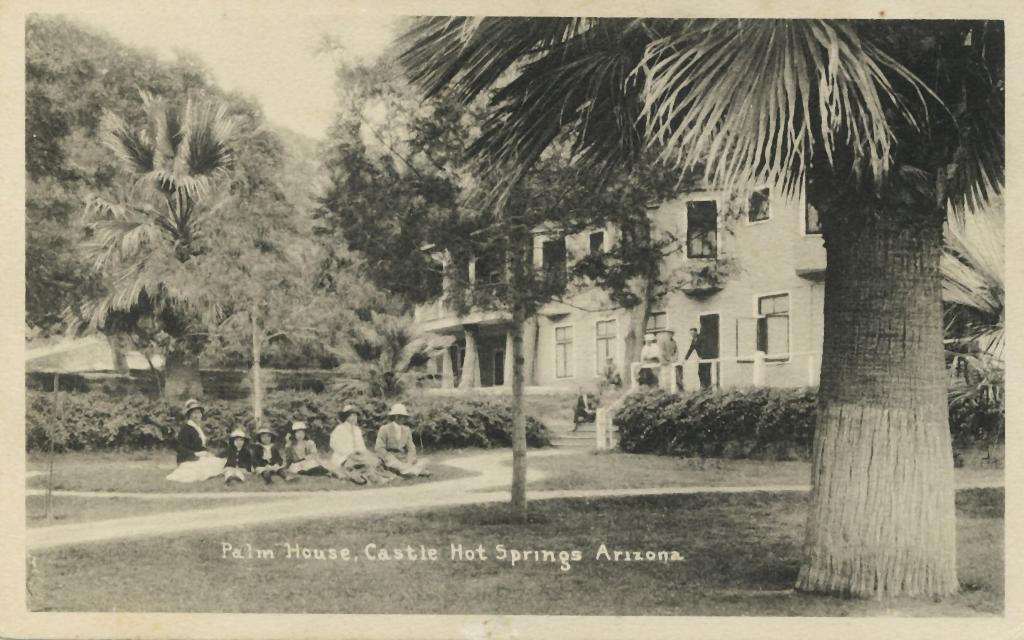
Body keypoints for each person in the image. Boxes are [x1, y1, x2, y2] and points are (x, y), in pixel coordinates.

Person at [329, 405, 391, 485]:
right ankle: (359, 478)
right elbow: (334, 444)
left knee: (372, 461)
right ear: (346, 417)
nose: (354, 418)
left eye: (355, 415)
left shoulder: (357, 430)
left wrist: (362, 452)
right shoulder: (339, 429)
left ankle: (376, 479)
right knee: (354, 465)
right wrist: (349, 453)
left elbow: (361, 446)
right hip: (343, 456)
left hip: (358, 456)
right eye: (351, 415)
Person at [166, 399, 226, 483]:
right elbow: (180, 449)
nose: (197, 415)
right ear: (189, 415)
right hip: (187, 459)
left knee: (220, 462)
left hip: (198, 457)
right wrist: (196, 454)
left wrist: (206, 453)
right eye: (194, 413)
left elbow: (199, 446)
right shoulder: (185, 429)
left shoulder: (197, 428)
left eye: (199, 413)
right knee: (212, 465)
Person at [375, 403, 430, 477]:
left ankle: (407, 470)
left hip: (403, 459)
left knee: (426, 461)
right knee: (397, 466)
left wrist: (410, 460)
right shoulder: (384, 429)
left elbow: (411, 448)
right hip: (390, 459)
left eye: (405, 417)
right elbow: (379, 448)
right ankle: (409, 471)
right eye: (403, 417)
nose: (404, 419)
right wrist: (390, 459)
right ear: (396, 416)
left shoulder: (406, 429)